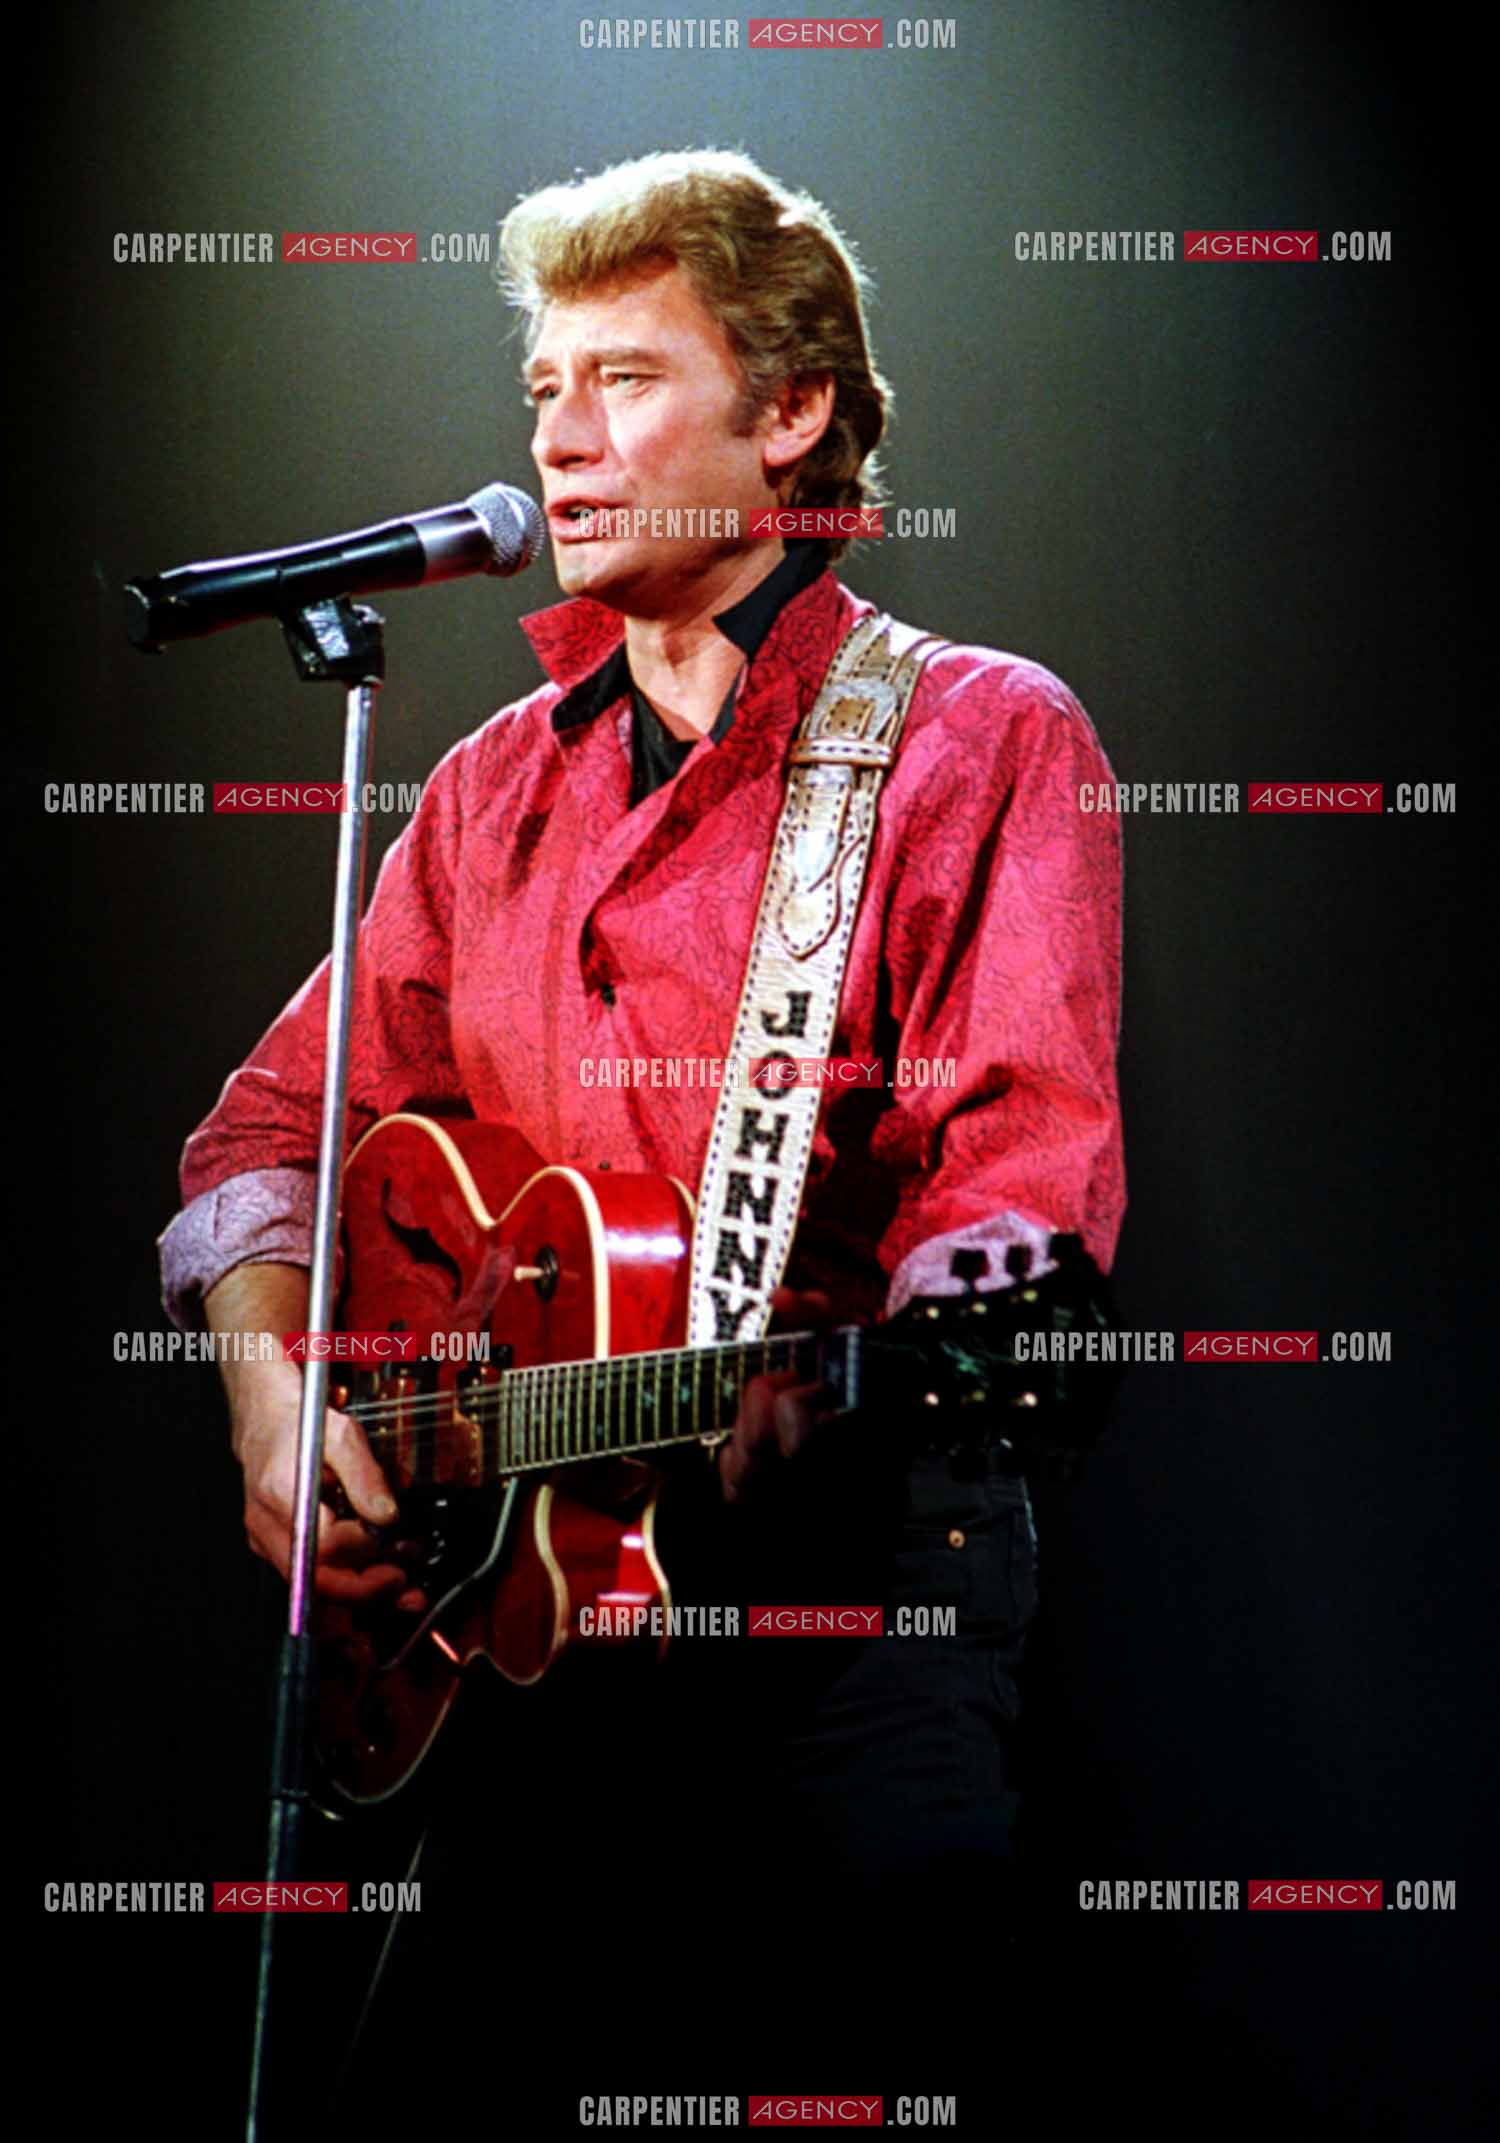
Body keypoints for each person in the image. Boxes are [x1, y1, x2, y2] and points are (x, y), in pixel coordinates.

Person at [159, 149, 1125, 2104]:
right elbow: (262, 1135)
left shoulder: (972, 739)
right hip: (517, 1634)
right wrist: (274, 1401)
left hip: (846, 1620)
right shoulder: (489, 787)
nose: (564, 438)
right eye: (543, 390)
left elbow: (1014, 1191)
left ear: (791, 417)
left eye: (622, 379)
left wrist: (861, 1367)